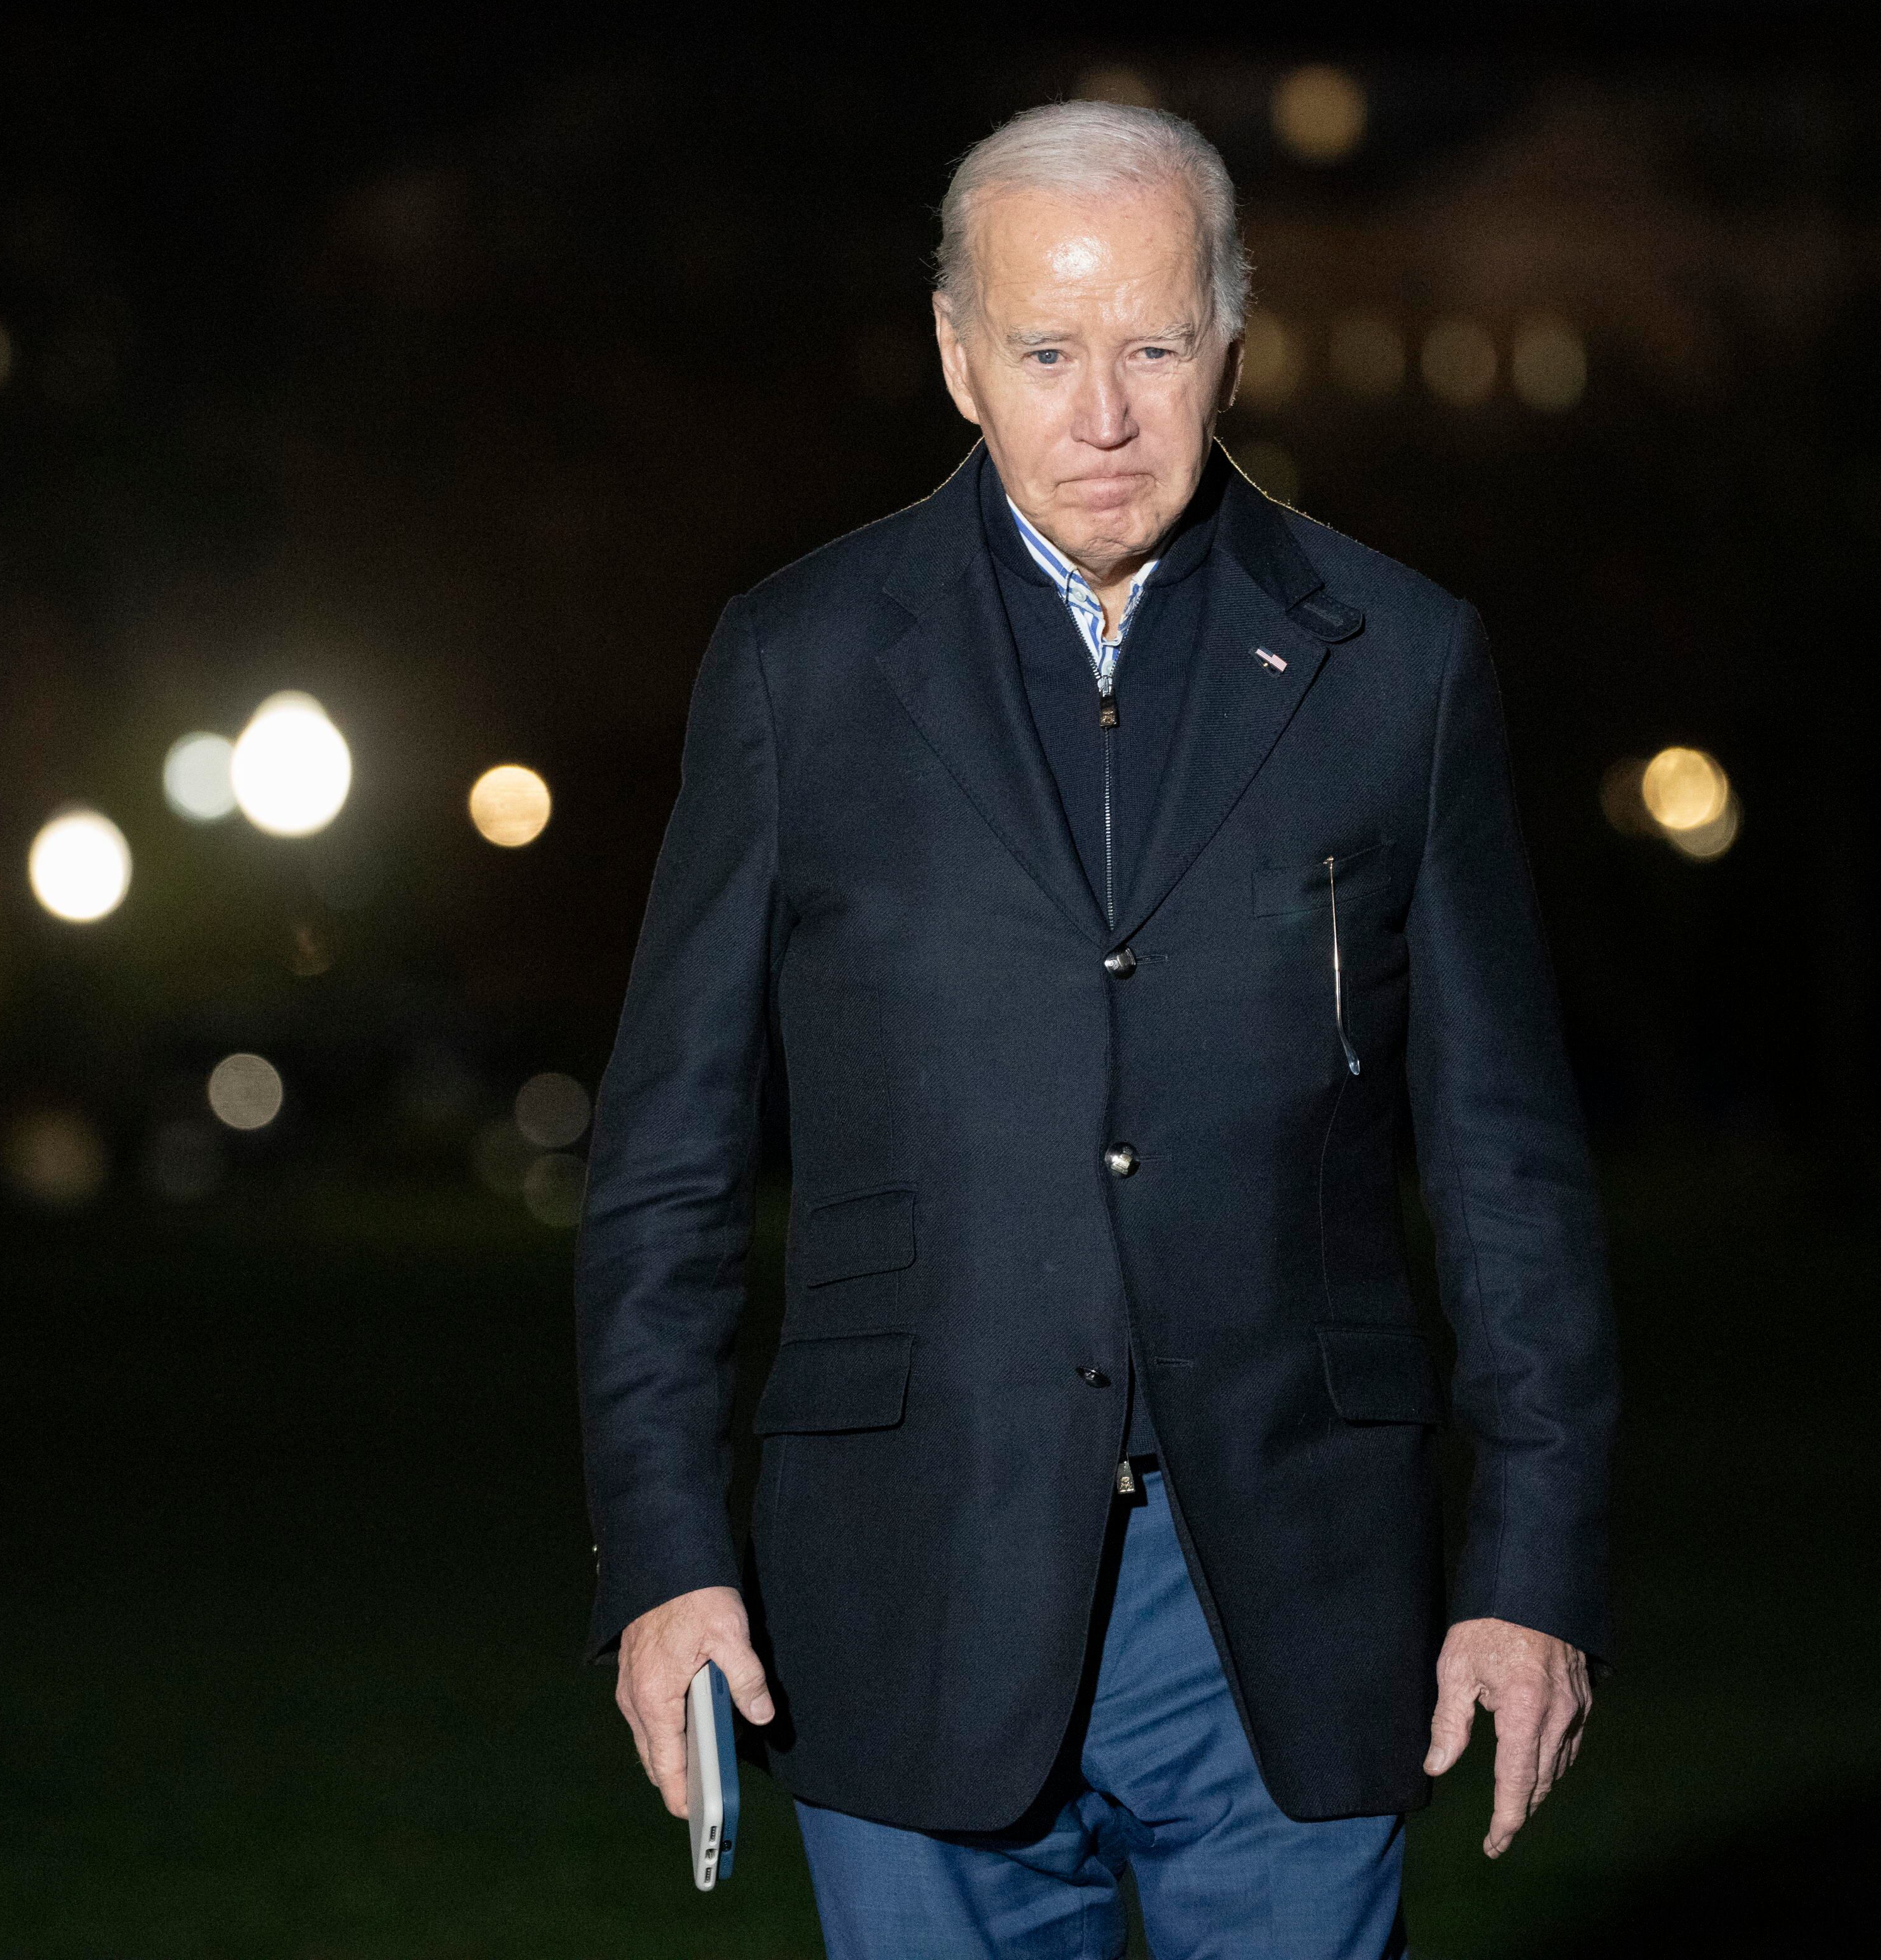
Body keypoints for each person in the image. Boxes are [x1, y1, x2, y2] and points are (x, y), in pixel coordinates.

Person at [573, 99, 1617, 1959]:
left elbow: (1507, 1163)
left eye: (1154, 344)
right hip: (906, 1579)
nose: (1106, 413)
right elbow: (666, 1161)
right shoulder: (799, 664)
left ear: (1231, 334)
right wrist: (664, 1557)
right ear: (961, 358)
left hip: (1290, 1595)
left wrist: (1531, 1571)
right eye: (1048, 351)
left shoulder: (1402, 662)